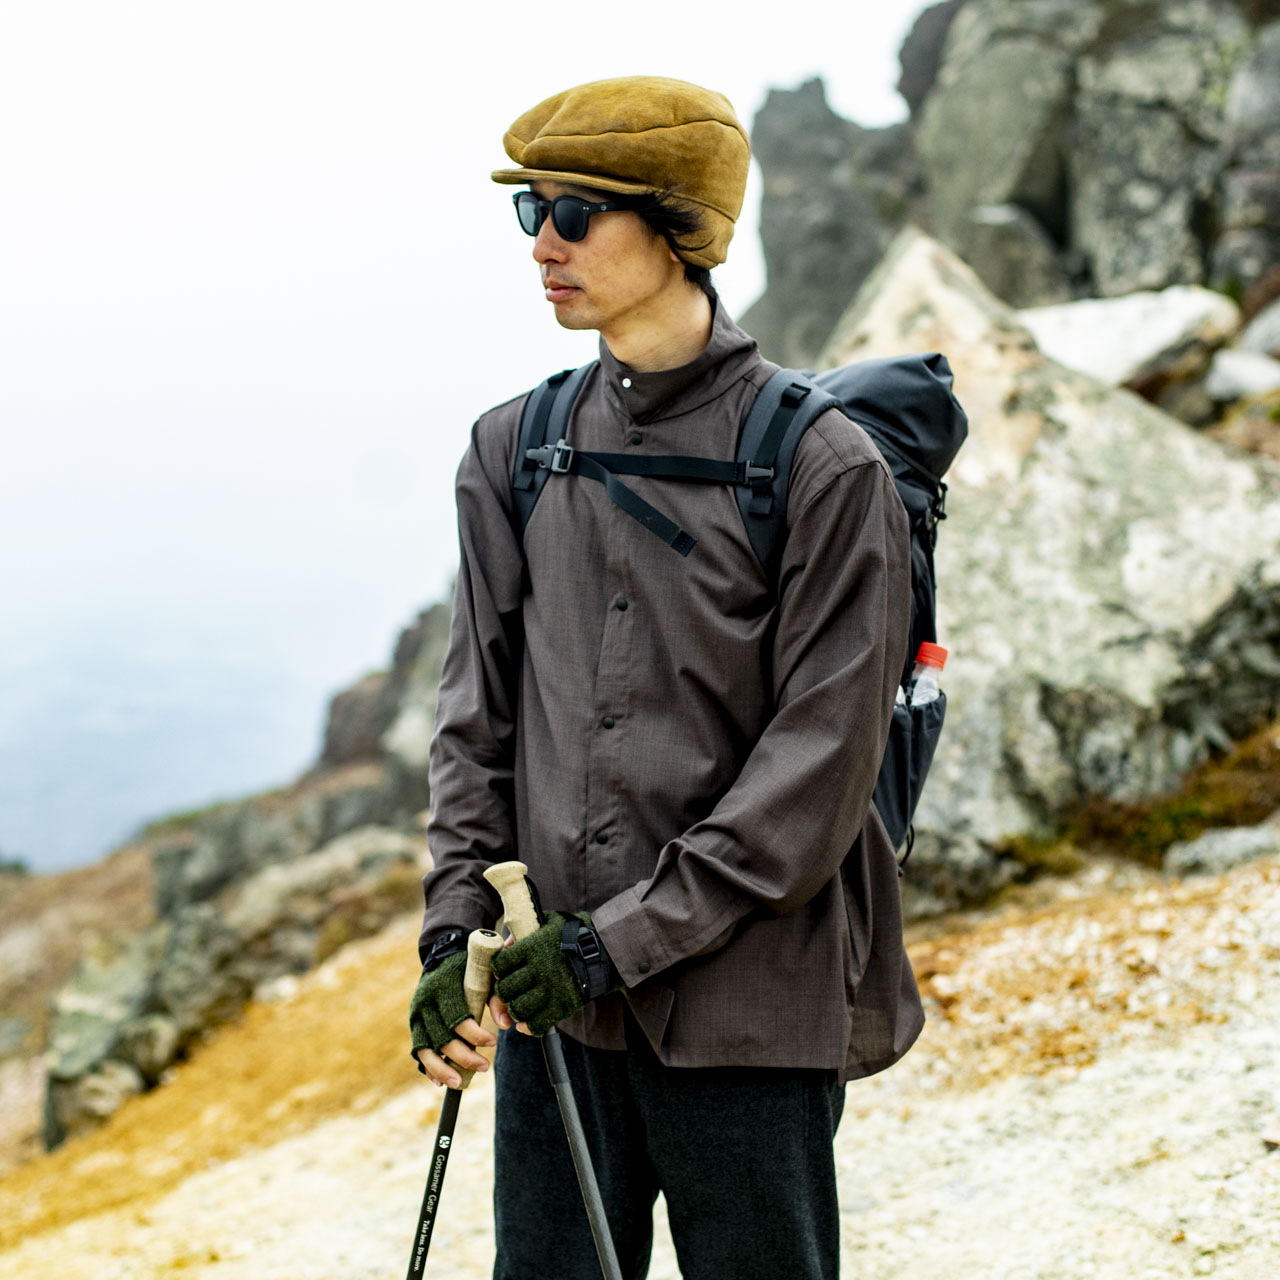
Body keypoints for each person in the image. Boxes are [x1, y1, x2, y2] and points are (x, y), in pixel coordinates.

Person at [408, 75, 924, 1280]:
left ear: (680, 225)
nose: (542, 241)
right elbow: (475, 721)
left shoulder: (820, 465)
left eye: (576, 212)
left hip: (746, 1013)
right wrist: (451, 935)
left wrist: (612, 941)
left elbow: (814, 777)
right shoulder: (512, 447)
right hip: (557, 1016)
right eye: (529, 207)